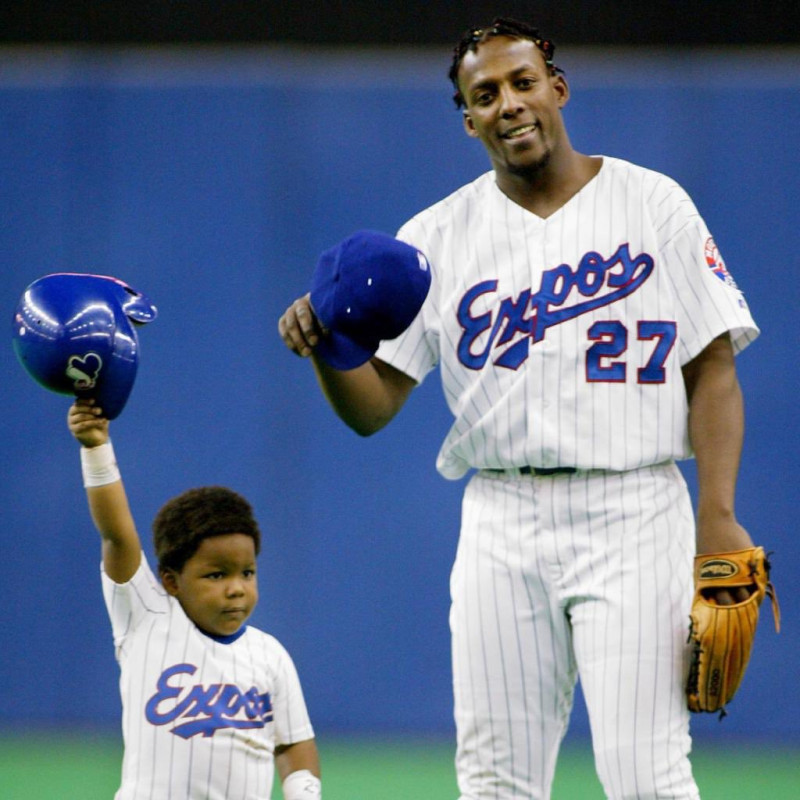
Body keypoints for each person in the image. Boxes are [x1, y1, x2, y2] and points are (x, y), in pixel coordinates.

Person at [278, 17, 760, 800]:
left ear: (557, 88)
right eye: (486, 94)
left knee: (646, 777)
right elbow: (374, 409)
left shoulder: (653, 203)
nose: (509, 103)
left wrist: (718, 511)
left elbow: (713, 368)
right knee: (495, 783)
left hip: (635, 508)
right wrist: (330, 350)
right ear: (468, 119)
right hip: (501, 519)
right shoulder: (435, 237)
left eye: (523, 82)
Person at [67, 398, 321, 800]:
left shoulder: (270, 656)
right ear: (170, 580)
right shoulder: (146, 619)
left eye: (247, 573)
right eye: (216, 575)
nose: (236, 588)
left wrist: (304, 790)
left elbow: (292, 742)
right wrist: (96, 447)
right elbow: (117, 533)